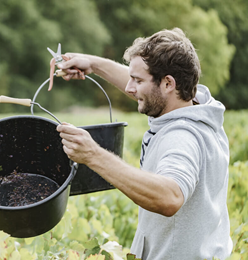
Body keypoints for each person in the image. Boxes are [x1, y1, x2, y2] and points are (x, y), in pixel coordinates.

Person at [54, 28, 232, 259]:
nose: (129, 87)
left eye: (137, 80)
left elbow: (170, 197)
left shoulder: (181, 136)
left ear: (168, 83)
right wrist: (94, 65)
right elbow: (150, 87)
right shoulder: (197, 106)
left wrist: (93, 155)